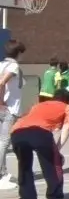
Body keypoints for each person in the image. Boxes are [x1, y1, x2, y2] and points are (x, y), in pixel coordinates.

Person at [9, 88, 69, 199]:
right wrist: (57, 150)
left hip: (17, 133)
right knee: (52, 167)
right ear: (68, 100)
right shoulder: (67, 107)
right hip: (38, 132)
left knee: (24, 167)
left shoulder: (39, 105)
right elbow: (65, 129)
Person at [0, 39, 26, 190]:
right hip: (10, 109)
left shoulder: (2, 64)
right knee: (4, 142)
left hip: (7, 108)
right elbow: (2, 82)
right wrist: (2, 103)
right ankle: (1, 174)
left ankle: (3, 172)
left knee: (4, 141)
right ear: (18, 53)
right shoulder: (14, 66)